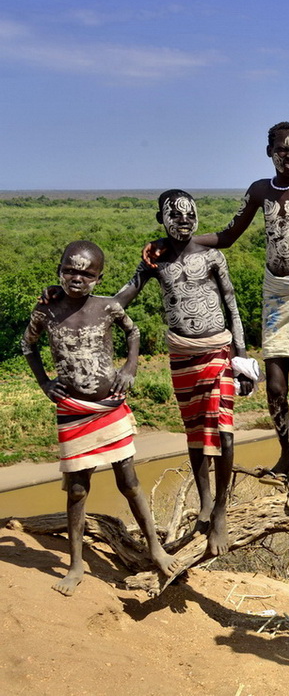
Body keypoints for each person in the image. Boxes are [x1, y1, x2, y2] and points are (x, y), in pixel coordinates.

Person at [147, 122, 289, 510]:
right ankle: (284, 452)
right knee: (273, 386)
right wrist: (173, 243)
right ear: (269, 151)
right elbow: (229, 235)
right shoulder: (259, 190)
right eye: (283, 150)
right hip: (276, 295)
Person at [22, 241, 178, 595]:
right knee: (77, 489)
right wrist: (45, 382)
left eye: (86, 273)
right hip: (73, 410)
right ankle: (76, 565)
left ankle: (155, 547)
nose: (77, 278)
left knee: (129, 482)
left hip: (109, 406)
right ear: (59, 270)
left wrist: (130, 367)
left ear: (98, 277)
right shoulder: (46, 310)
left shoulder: (107, 307)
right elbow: (27, 346)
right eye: (70, 270)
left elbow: (133, 332)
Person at [116, 190, 256, 556]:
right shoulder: (156, 260)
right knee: (195, 433)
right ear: (161, 219)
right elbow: (126, 295)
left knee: (224, 433)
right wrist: (82, 304)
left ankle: (221, 510)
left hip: (218, 351)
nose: (183, 221)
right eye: (173, 215)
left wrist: (241, 357)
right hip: (181, 356)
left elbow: (232, 305)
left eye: (189, 214)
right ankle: (205, 500)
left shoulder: (212, 256)